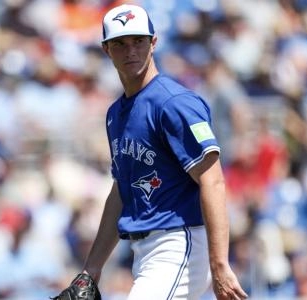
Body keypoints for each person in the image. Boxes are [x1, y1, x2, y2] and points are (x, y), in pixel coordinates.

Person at [79, 4, 248, 300]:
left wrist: (220, 264)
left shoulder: (174, 103)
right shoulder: (115, 113)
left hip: (179, 242)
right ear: (106, 49)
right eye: (120, 43)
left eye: (138, 41)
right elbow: (121, 191)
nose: (130, 50)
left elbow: (213, 180)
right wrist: (92, 268)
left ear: (153, 42)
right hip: (143, 251)